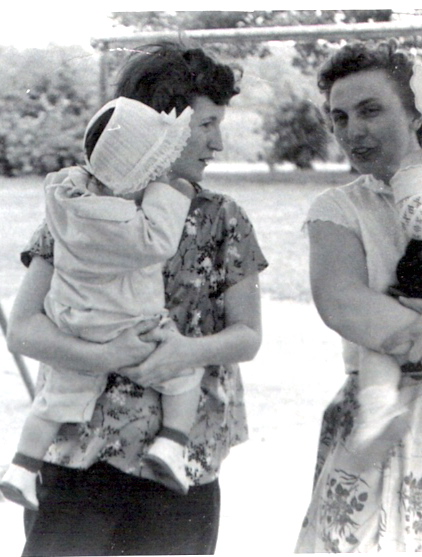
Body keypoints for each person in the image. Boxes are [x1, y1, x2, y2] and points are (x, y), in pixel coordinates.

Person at [4, 41, 268, 556]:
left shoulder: (223, 219)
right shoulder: (75, 208)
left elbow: (248, 337)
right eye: (207, 124)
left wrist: (185, 353)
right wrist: (103, 357)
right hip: (78, 456)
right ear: (159, 127)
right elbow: (23, 329)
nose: (218, 143)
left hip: (178, 468)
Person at [0, 95, 206, 510]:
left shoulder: (66, 199)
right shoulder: (126, 225)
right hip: (123, 320)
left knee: (57, 395)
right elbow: (159, 241)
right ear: (138, 176)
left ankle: (21, 468)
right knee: (184, 372)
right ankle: (171, 444)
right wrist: (171, 191)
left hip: (71, 318)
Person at [295, 40, 422, 553]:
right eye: (339, 117)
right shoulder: (338, 208)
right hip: (382, 411)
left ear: (416, 114)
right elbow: (344, 303)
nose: (352, 130)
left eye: (370, 110)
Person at [351, 63, 422, 449]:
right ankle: (378, 410)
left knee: (378, 341)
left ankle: (378, 408)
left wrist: (408, 174)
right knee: (378, 342)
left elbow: (421, 223)